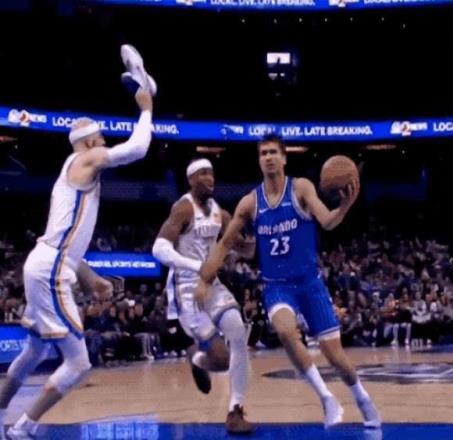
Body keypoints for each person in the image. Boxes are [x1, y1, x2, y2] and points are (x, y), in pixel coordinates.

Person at [196, 135, 381, 429]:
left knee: (336, 357)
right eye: (263, 153)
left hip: (310, 284)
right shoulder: (250, 203)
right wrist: (204, 280)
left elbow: (327, 221)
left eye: (273, 152)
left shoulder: (301, 188)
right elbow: (224, 244)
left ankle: (362, 398)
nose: (268, 157)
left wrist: (344, 207)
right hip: (277, 287)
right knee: (284, 331)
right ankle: (326, 398)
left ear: (284, 158)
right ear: (259, 160)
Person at [0, 87, 153, 439]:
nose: (104, 145)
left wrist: (89, 275)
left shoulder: (73, 174)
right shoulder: (84, 159)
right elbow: (137, 149)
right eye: (101, 140)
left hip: (46, 262)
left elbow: (67, 244)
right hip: (50, 267)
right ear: (87, 143)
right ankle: (24, 428)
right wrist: (146, 110)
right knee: (79, 362)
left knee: (35, 348)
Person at [152, 158, 253, 434]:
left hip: (211, 283)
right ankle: (197, 360)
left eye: (211, 173)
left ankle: (236, 410)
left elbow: (245, 249)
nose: (210, 178)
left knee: (238, 332)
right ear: (191, 180)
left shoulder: (221, 213)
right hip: (185, 288)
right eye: (203, 173)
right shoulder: (183, 208)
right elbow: (159, 249)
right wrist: (197, 266)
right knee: (221, 360)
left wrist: (257, 232)